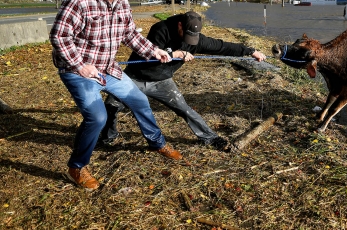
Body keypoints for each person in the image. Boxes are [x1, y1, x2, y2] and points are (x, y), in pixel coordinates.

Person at [50, 0, 182, 190]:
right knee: (98, 117)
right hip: (78, 70)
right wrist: (80, 65)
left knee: (140, 100)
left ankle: (157, 142)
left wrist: (155, 51)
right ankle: (76, 167)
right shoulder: (81, 0)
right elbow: (59, 36)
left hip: (107, 68)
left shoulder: (122, 4)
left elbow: (130, 34)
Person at [100, 11, 266, 151]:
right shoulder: (160, 29)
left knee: (184, 108)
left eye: (192, 37)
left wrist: (251, 51)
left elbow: (223, 46)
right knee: (111, 105)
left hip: (161, 81)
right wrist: (176, 54)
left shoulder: (197, 40)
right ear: (180, 25)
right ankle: (108, 137)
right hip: (134, 77)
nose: (189, 40)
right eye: (186, 34)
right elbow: (150, 54)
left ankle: (210, 137)